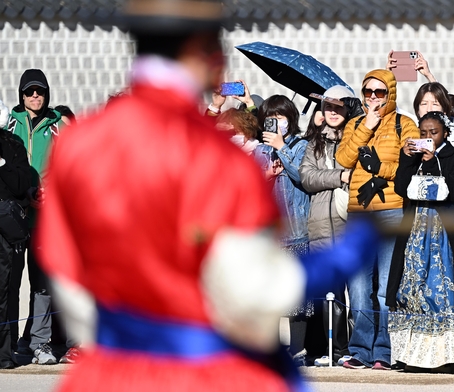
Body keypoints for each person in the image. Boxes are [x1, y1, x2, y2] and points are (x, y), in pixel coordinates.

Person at [32, 0, 377, 389]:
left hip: (107, 370)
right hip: (196, 371)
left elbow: (66, 271)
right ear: (207, 52)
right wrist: (342, 257)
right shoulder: (217, 156)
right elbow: (256, 292)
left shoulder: (78, 143)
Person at [387, 112, 454, 371]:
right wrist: (407, 160)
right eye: (423, 132)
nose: (428, 138)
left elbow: (453, 191)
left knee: (445, 288)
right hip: (416, 229)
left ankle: (449, 355)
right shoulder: (413, 157)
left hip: (445, 234)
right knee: (414, 287)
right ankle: (415, 356)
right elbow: (400, 188)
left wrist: (434, 162)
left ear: (445, 133)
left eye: (434, 132)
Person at [336, 69, 420, 370]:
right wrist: (366, 126)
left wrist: (379, 169)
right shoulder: (356, 124)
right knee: (358, 285)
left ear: (391, 94)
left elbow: (410, 166)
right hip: (359, 213)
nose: (373, 97)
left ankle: (385, 349)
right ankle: (359, 348)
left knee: (386, 285)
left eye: (380, 92)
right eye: (368, 92)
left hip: (391, 211)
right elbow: (343, 160)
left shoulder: (404, 124)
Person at [4, 68, 63, 365]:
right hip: (13, 216)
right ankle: (10, 343)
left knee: (41, 283)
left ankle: (40, 343)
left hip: (46, 217)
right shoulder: (8, 123)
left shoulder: (58, 127)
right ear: (21, 94)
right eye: (29, 91)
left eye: (39, 91)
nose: (35, 96)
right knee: (10, 282)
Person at [299, 86, 360, 367]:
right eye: (328, 108)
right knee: (328, 293)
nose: (332, 113)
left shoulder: (357, 137)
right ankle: (333, 349)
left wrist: (341, 175)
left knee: (357, 290)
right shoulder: (315, 142)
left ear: (348, 108)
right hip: (322, 224)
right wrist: (340, 175)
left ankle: (356, 349)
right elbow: (307, 177)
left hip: (351, 223)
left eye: (338, 107)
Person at [253, 94, 312, 366]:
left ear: (291, 119)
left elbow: (303, 177)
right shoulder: (258, 151)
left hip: (297, 230)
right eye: (271, 118)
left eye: (281, 118)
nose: (276, 123)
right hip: (269, 235)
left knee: (296, 299)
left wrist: (282, 148)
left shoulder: (301, 146)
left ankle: (298, 350)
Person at [0, 130, 33, 369]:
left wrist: (2, 164)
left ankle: (3, 352)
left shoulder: (12, 143)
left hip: (4, 230)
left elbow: (21, 185)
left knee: (3, 291)